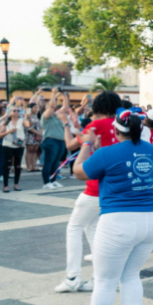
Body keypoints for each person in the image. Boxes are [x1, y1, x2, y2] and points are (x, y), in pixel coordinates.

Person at [70, 108, 153, 305]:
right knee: (131, 275)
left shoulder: (107, 152)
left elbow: (78, 171)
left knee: (104, 280)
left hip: (120, 221)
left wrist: (86, 144)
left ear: (115, 129)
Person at [54, 92, 122, 294]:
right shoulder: (119, 125)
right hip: (113, 187)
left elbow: (70, 145)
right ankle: (99, 277)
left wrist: (66, 123)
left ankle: (73, 276)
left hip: (94, 187)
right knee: (92, 230)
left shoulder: (96, 126)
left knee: (74, 228)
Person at [0, 105, 27, 192]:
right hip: (7, 145)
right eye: (14, 110)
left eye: (18, 111)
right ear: (10, 112)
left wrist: (27, 116)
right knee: (8, 165)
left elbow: (29, 124)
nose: (16, 112)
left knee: (17, 166)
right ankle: (5, 186)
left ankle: (16, 185)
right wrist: (9, 131)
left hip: (19, 145)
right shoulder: (6, 122)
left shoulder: (22, 121)